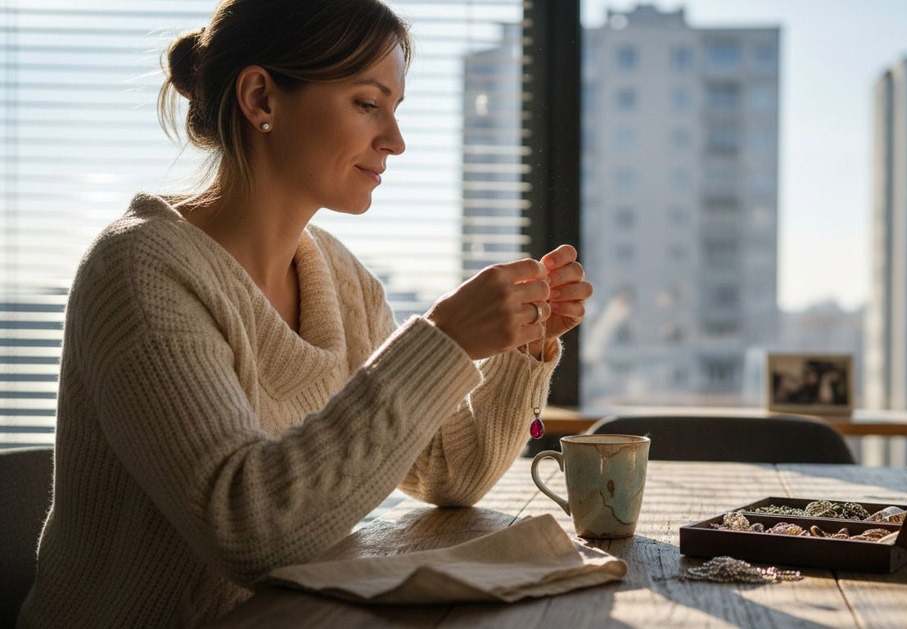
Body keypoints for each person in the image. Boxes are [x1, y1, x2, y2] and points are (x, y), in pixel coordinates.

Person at [17, 1, 592, 627]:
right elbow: (248, 529)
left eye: (395, 110)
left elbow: (446, 474)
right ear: (261, 98)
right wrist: (444, 340)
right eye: (368, 104)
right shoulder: (140, 269)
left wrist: (522, 345)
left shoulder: (339, 279)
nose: (395, 141)